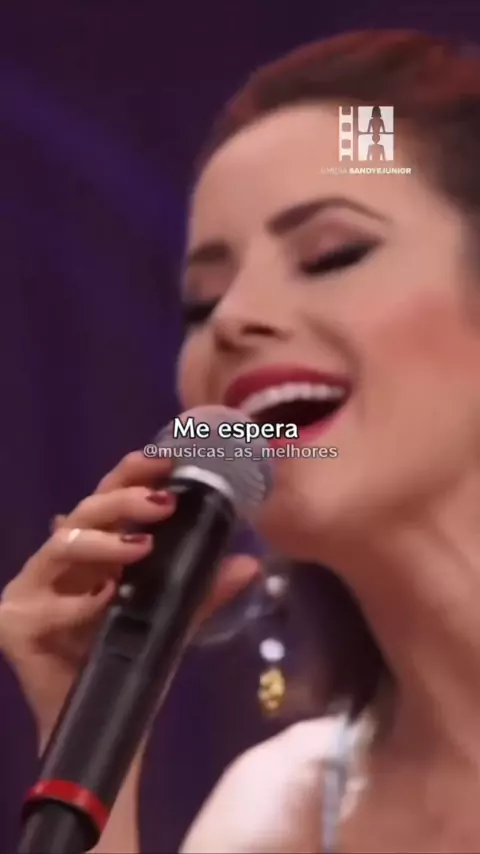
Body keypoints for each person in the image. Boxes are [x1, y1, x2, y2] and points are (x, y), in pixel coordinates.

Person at [2, 27, 480, 852]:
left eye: (332, 254)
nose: (233, 320)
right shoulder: (279, 814)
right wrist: (88, 708)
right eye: (201, 302)